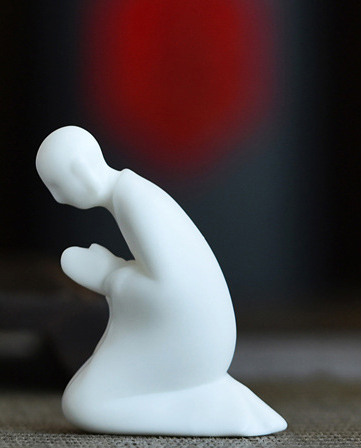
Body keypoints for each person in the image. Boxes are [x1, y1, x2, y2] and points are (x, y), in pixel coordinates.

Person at [36, 125, 286, 436]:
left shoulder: (135, 199)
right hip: (196, 333)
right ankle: (206, 399)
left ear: (82, 172)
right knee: (83, 398)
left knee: (85, 404)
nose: (57, 198)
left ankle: (213, 408)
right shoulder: (132, 194)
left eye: (56, 185)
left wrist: (110, 277)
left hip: (196, 339)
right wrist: (114, 274)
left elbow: (169, 291)